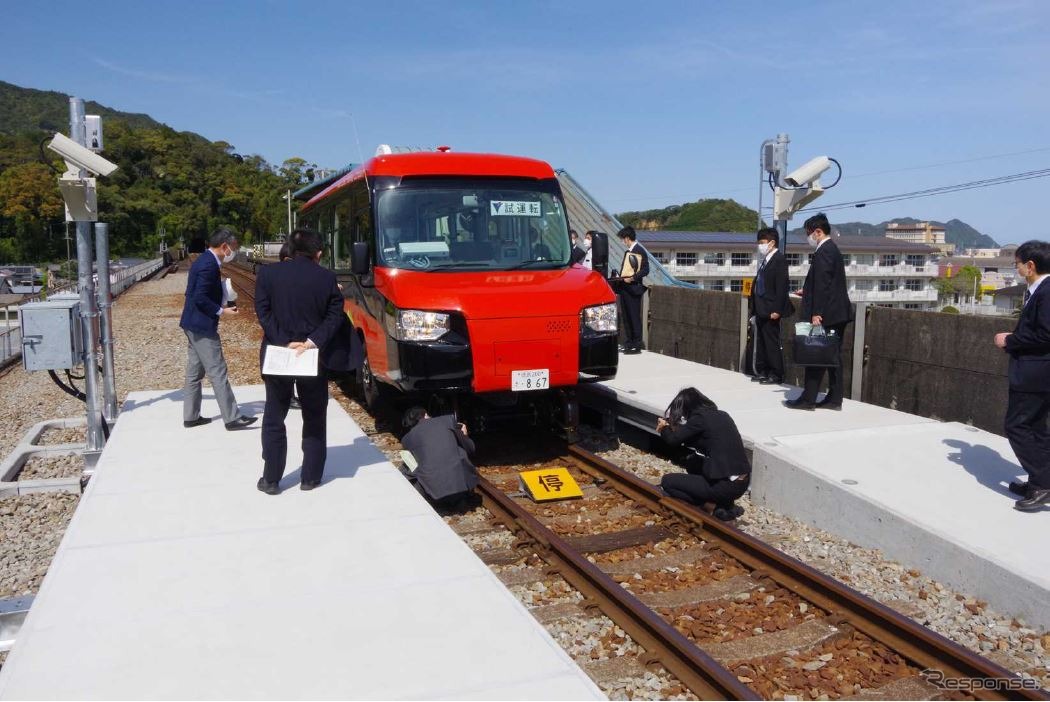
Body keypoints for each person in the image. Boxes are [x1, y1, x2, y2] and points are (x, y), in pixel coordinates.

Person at [253, 229, 362, 495]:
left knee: (274, 416)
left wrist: (282, 341)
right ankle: (310, 477)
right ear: (319, 253)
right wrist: (312, 341)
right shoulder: (326, 278)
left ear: (289, 249)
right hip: (313, 357)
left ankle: (271, 479)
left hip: (278, 355)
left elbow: (263, 311)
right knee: (314, 415)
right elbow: (335, 316)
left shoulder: (268, 274)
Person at [179, 227, 257, 431]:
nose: (234, 252)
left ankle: (191, 416)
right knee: (217, 370)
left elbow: (194, 293)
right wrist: (221, 311)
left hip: (192, 323)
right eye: (233, 248)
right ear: (224, 246)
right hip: (202, 326)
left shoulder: (204, 261)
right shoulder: (208, 265)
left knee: (194, 373)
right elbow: (200, 297)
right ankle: (232, 418)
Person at [994, 240, 1050, 512]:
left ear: (1030, 265)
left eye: (1016, 263)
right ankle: (1038, 481)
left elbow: (1045, 334)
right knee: (1037, 428)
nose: (1015, 268)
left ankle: (1043, 484)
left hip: (1035, 372)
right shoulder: (1039, 290)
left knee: (1016, 426)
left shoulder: (1047, 292)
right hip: (1038, 372)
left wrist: (1011, 340)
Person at [785, 213, 851, 411]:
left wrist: (817, 313)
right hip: (838, 312)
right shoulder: (832, 249)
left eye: (809, 233)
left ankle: (808, 399)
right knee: (833, 357)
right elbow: (827, 283)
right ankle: (834, 398)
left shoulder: (824, 251)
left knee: (816, 354)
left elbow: (823, 285)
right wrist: (807, 291)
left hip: (827, 314)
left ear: (818, 232)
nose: (808, 238)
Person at [657, 388, 750, 520]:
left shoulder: (699, 419)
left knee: (667, 482)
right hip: (742, 483)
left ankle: (709, 504)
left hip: (725, 487)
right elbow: (695, 438)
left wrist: (664, 428)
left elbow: (673, 440)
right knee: (692, 462)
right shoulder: (722, 415)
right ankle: (724, 504)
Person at [400, 407, 480, 512]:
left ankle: (439, 498)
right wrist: (464, 436)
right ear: (425, 415)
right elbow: (470, 449)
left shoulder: (406, 439)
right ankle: (459, 498)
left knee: (406, 467)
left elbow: (413, 466)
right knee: (459, 449)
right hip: (460, 490)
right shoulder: (447, 420)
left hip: (433, 495)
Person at [750, 227, 792, 384]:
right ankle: (764, 371)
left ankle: (776, 373)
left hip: (771, 309)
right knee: (761, 342)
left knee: (772, 342)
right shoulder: (766, 261)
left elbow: (782, 287)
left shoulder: (779, 260)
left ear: (772, 242)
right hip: (761, 309)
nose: (760, 246)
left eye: (762, 242)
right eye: (759, 242)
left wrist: (777, 310)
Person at [613, 226, 650, 354]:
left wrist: (633, 277)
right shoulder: (628, 251)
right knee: (626, 316)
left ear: (627, 238)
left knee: (634, 316)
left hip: (633, 288)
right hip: (624, 287)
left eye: (623, 239)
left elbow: (646, 270)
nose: (623, 242)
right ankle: (629, 342)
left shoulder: (640, 250)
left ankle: (637, 343)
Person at [277, 243, 302, 412]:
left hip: (281, 325)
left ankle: (289, 395)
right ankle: (290, 396)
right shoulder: (291, 276)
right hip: (290, 325)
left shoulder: (275, 274)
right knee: (291, 362)